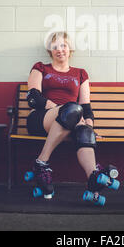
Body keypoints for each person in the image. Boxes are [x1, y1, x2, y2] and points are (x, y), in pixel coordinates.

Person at [26, 31, 116, 201]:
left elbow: (86, 108)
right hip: (41, 118)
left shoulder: (80, 74)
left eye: (63, 45)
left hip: (72, 118)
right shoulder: (41, 68)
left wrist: (88, 127)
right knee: (71, 110)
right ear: (50, 50)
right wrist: (61, 108)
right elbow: (33, 98)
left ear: (70, 49)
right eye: (55, 47)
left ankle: (94, 179)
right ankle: (41, 162)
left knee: (85, 130)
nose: (60, 50)